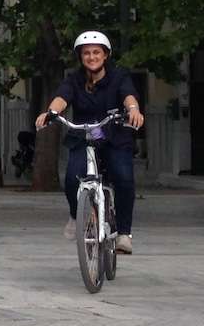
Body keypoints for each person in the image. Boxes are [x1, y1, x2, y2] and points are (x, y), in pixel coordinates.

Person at [37, 30, 145, 253]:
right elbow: (62, 98)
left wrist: (133, 109)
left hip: (114, 136)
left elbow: (128, 95)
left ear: (105, 55)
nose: (92, 57)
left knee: (123, 177)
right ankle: (75, 215)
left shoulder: (119, 76)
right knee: (71, 179)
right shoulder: (74, 79)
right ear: (80, 56)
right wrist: (50, 113)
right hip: (84, 136)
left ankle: (124, 233)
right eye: (86, 53)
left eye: (96, 52)